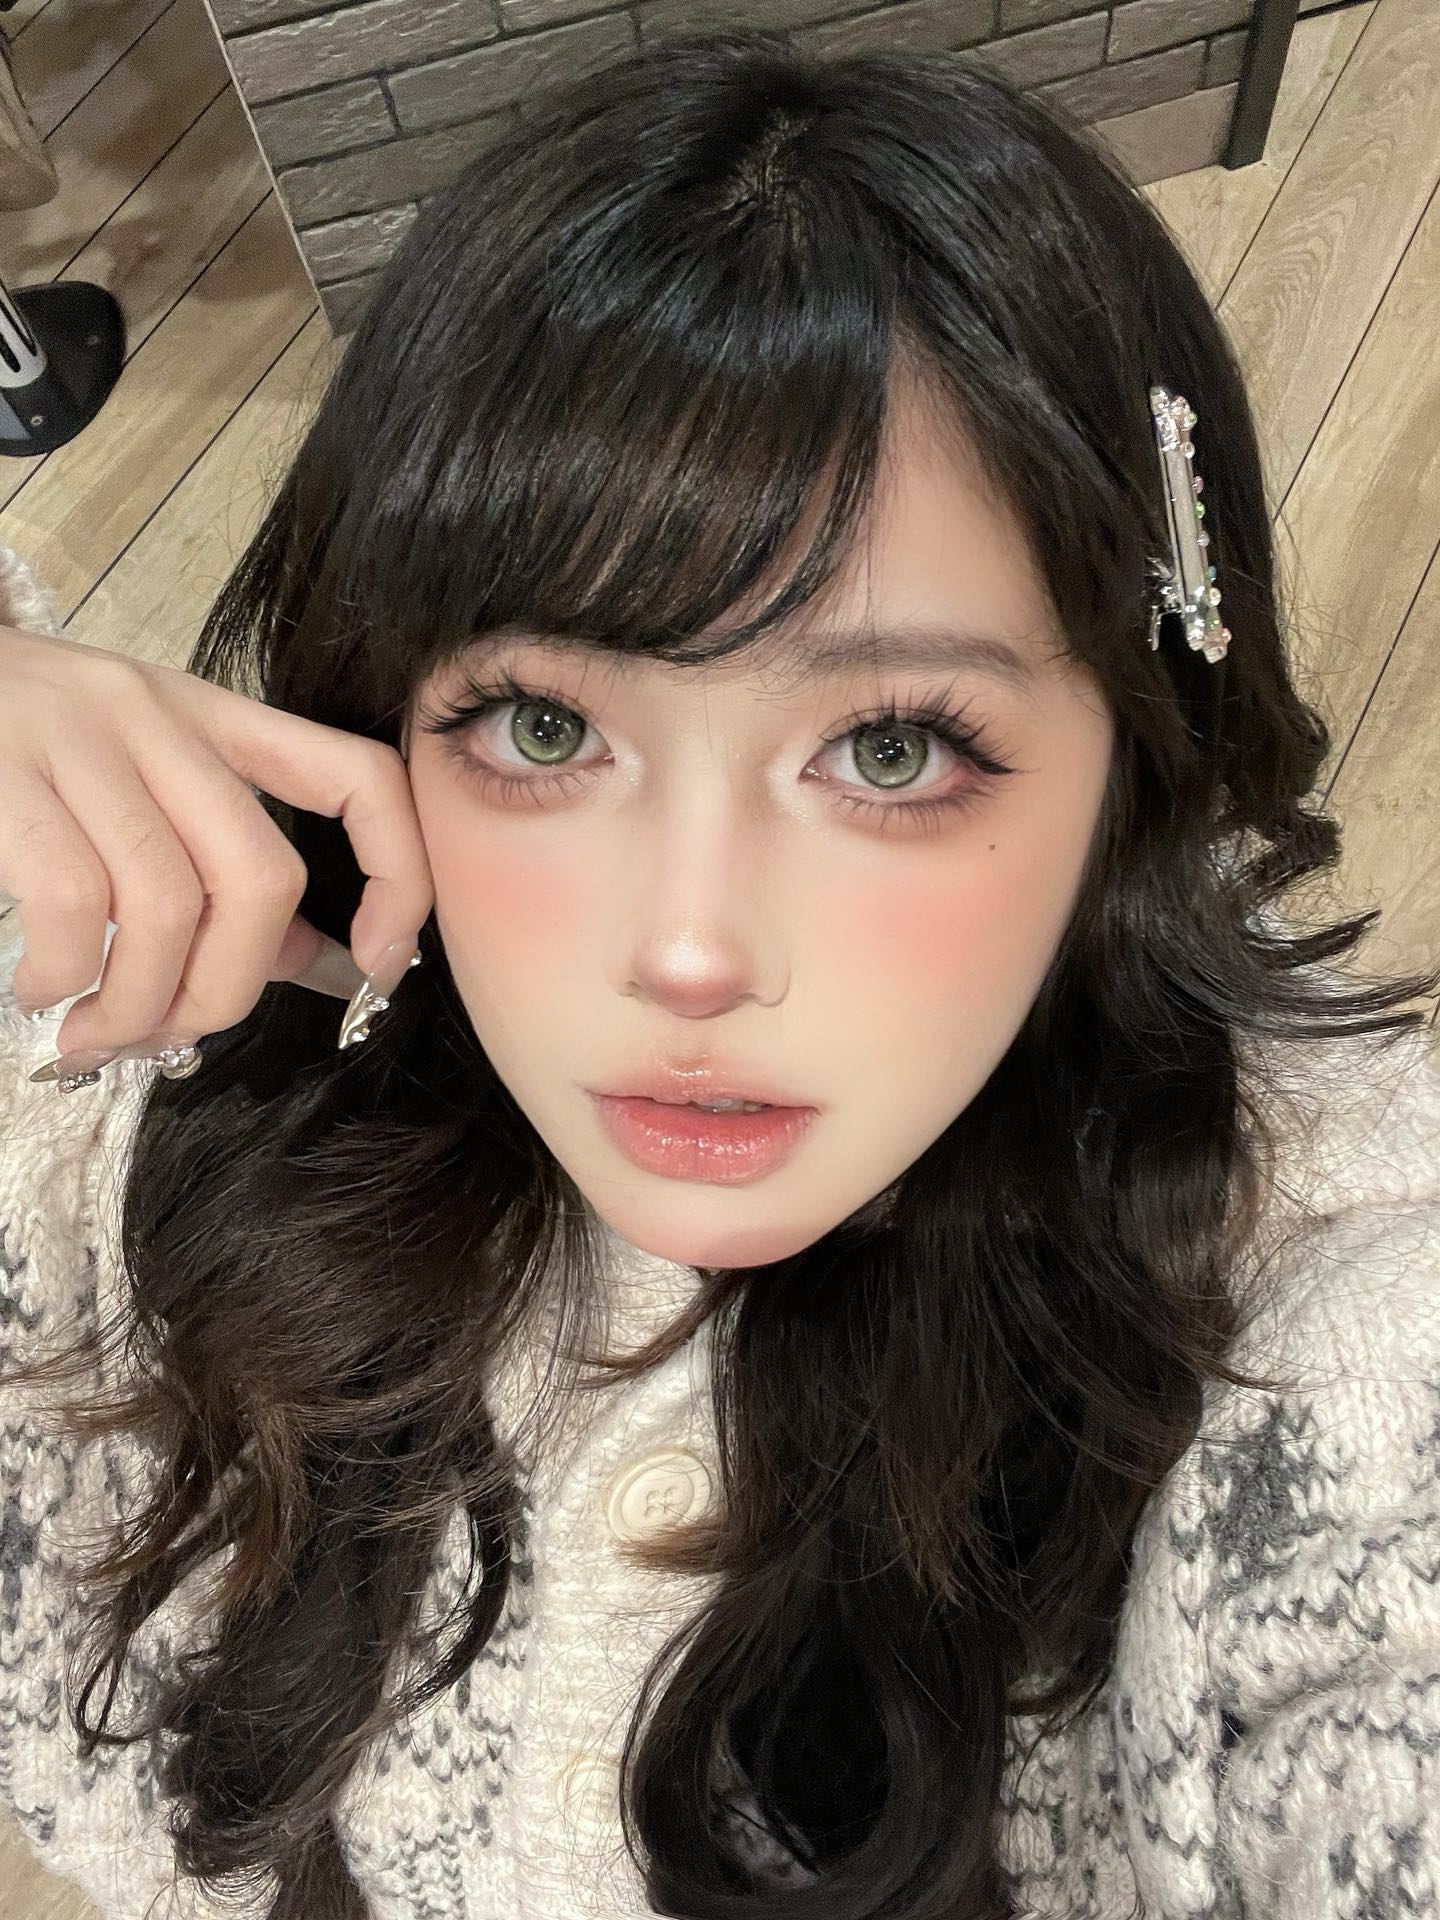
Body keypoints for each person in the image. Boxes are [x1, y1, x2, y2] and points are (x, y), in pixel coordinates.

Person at [1, 25, 1438, 1920]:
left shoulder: (1319, 1326)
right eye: (540, 727)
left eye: (892, 750)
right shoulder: (149, 1068)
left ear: (1132, 769)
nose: (686, 952)